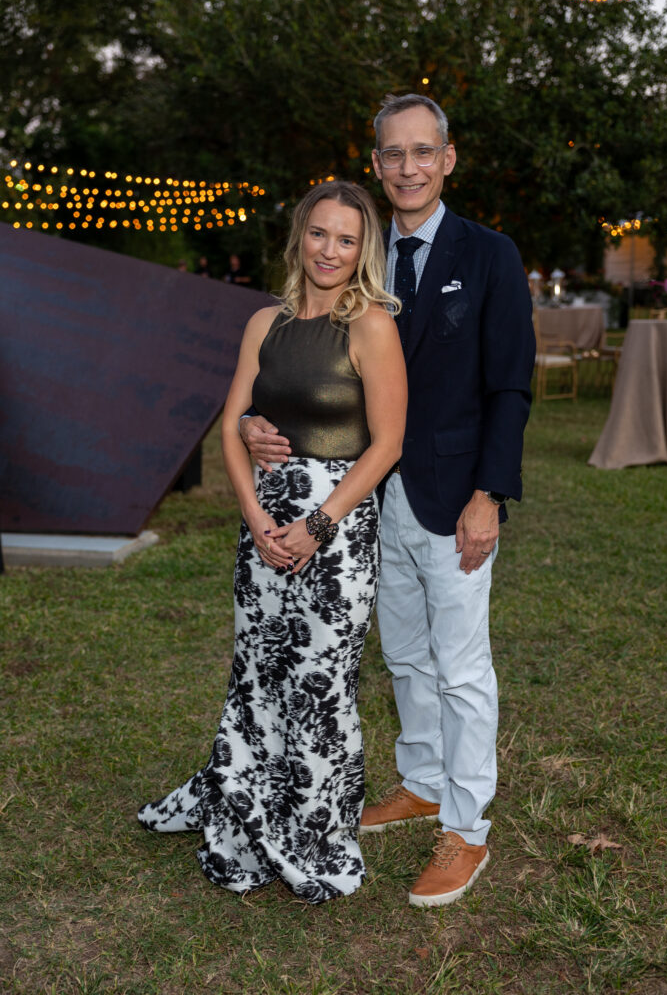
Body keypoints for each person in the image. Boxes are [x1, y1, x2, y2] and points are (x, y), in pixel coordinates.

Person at [240, 95, 536, 908]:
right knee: (404, 655)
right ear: (375, 163)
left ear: (447, 159)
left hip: (451, 498)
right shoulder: (353, 261)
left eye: (422, 152)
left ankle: (467, 829)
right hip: (363, 504)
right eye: (392, 154)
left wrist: (489, 493)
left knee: (460, 665)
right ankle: (423, 782)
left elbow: (510, 385)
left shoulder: (489, 255)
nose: (407, 167)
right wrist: (258, 424)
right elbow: (304, 379)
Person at [138, 181, 407, 905]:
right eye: (319, 234)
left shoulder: (372, 326)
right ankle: (246, 814)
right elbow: (232, 427)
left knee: (320, 684)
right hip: (262, 524)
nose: (330, 250)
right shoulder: (263, 322)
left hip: (338, 533)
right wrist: (257, 519)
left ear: (362, 250)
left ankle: (314, 832)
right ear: (299, 238)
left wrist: (317, 526)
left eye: (346, 239)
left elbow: (386, 446)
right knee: (257, 673)